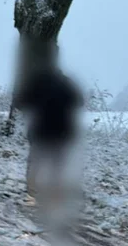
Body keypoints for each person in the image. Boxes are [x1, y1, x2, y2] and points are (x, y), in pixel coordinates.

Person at [15, 57, 84, 198]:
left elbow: (20, 103)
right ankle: (55, 193)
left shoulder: (36, 83)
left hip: (40, 130)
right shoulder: (67, 83)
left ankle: (31, 194)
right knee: (57, 163)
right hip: (63, 130)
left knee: (35, 161)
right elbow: (79, 102)